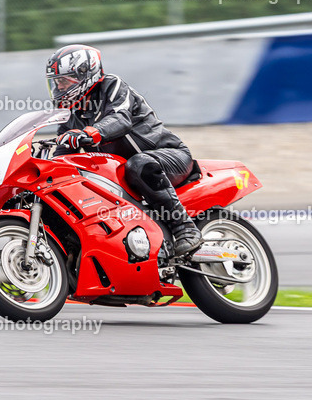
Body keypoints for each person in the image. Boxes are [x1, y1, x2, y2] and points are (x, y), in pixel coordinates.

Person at [46, 44, 203, 256]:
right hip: (124, 170)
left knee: (139, 164)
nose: (59, 88)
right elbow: (62, 155)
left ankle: (185, 228)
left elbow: (120, 119)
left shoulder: (112, 86)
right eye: (56, 82)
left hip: (168, 154)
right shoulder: (72, 113)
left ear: (84, 74)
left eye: (64, 81)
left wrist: (91, 133)